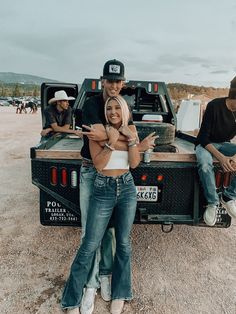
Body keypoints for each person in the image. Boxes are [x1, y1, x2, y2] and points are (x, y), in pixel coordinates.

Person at [75, 59, 157, 314]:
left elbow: (115, 135)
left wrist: (123, 140)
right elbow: (98, 137)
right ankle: (89, 286)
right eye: (109, 80)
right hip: (92, 171)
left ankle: (106, 277)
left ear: (123, 83)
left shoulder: (125, 106)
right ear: (103, 81)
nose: (113, 85)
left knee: (111, 233)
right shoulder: (90, 105)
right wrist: (136, 145)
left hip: (119, 177)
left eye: (117, 81)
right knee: (90, 234)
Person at [61, 95, 140, 314]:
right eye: (109, 108)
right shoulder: (97, 131)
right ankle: (71, 300)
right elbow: (98, 164)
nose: (113, 112)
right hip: (103, 187)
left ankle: (120, 293)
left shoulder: (131, 129)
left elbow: (134, 163)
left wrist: (132, 140)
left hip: (126, 187)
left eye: (117, 108)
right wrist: (112, 141)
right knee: (90, 244)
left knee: (123, 243)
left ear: (124, 110)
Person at [196, 76, 236, 226]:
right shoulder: (214, 105)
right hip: (205, 144)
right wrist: (222, 158)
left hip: (223, 144)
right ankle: (212, 203)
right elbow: (203, 138)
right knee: (205, 164)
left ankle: (229, 196)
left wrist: (235, 157)